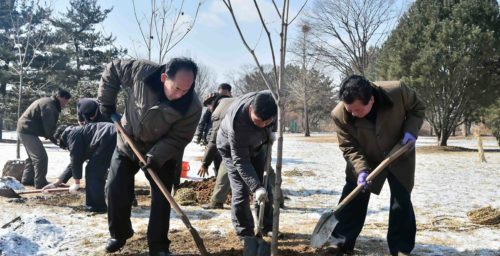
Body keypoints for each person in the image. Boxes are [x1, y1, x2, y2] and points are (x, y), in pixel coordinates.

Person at [98, 58, 202, 255]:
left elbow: (180, 137)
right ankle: (119, 234)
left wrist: (155, 156)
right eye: (177, 88)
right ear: (164, 78)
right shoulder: (141, 72)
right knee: (115, 187)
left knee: (162, 198)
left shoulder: (192, 106)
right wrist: (106, 102)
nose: (180, 94)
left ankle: (159, 245)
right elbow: (112, 69)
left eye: (186, 90)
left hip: (162, 152)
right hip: (128, 140)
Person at [329, 75, 425, 255]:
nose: (352, 114)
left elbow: (417, 108)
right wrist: (361, 171)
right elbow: (349, 146)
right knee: (353, 195)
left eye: (357, 110)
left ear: (371, 99)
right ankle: (340, 242)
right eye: (349, 110)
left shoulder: (397, 91)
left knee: (401, 200)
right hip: (366, 156)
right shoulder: (339, 114)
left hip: (399, 151)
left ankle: (400, 248)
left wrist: (411, 131)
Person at [216, 90, 277, 239]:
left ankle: (265, 226)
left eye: (267, 122)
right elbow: (241, 161)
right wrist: (255, 188)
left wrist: (271, 132)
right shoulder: (238, 122)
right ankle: (244, 232)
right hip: (231, 150)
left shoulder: (273, 104)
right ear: (251, 109)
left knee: (266, 185)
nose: (262, 125)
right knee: (241, 189)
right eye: (258, 121)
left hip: (258, 145)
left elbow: (269, 123)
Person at [42, 122, 116, 213]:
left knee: (92, 171)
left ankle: (96, 207)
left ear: (60, 136)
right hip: (112, 133)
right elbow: (74, 163)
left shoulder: (71, 134)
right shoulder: (78, 133)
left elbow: (75, 159)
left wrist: (76, 183)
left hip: (108, 135)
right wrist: (55, 184)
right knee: (118, 169)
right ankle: (128, 200)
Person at [17, 88, 71, 189]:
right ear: (60, 97)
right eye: (66, 100)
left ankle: (27, 180)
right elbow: (50, 130)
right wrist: (61, 143)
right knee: (41, 158)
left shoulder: (48, 102)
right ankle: (40, 183)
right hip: (27, 131)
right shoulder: (50, 106)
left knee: (33, 158)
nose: (66, 103)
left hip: (25, 129)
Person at [198, 95, 235, 209]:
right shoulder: (232, 101)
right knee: (263, 165)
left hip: (238, 140)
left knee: (226, 163)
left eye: (208, 107)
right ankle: (277, 198)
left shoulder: (218, 111)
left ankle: (217, 202)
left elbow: (214, 140)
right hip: (259, 134)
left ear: (211, 104)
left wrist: (205, 163)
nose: (209, 110)